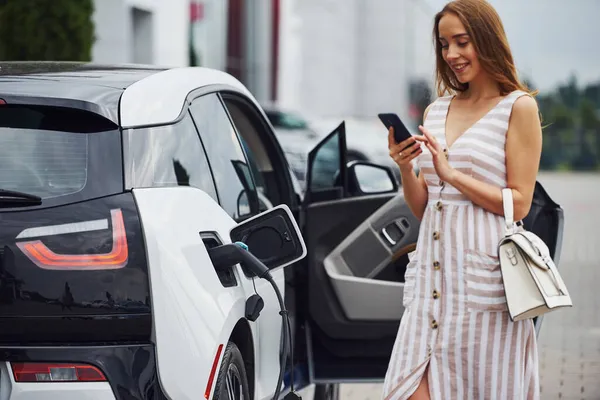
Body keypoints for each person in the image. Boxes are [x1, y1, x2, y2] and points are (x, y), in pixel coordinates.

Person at [382, 0, 543, 399]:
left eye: (461, 42)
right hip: (430, 288)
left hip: (483, 293)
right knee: (406, 389)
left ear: (486, 40)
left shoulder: (517, 108)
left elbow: (519, 203)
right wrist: (405, 167)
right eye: (443, 44)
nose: (451, 54)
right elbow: (427, 205)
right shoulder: (436, 111)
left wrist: (453, 175)